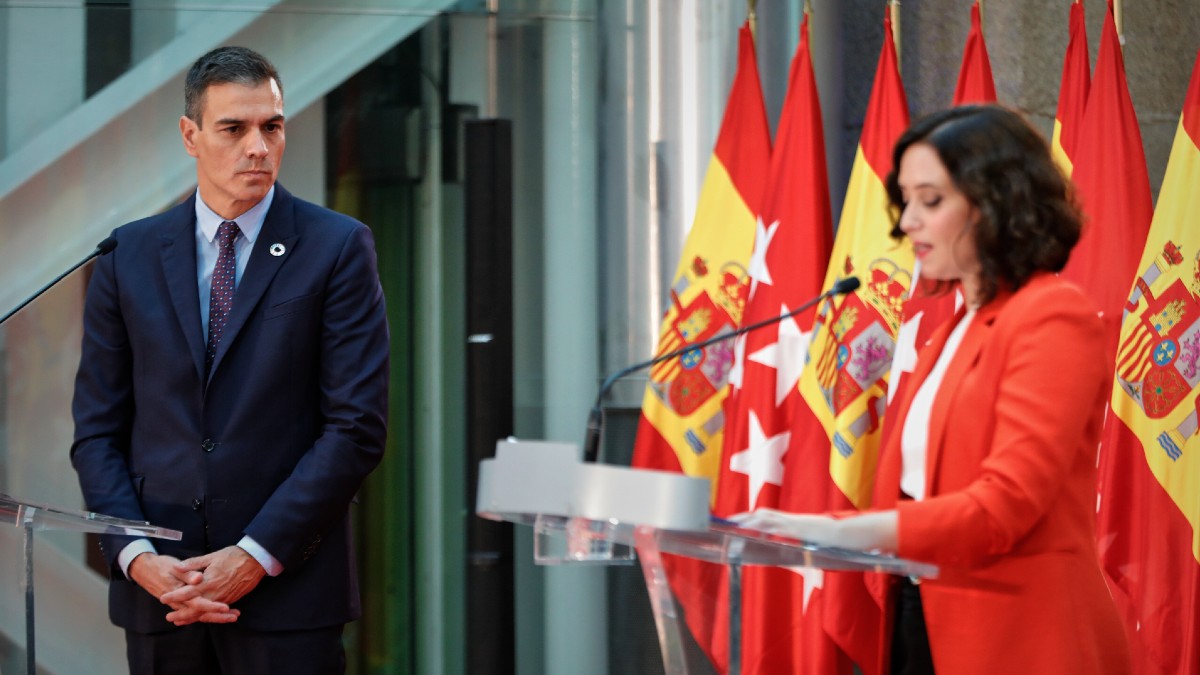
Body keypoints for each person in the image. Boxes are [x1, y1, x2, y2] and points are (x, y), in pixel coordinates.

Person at [732, 105, 1131, 674]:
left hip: (1023, 638)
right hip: (919, 612)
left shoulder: (1053, 315)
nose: (907, 223)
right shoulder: (950, 331)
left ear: (996, 203)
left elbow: (1004, 507)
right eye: (906, 200)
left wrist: (832, 530)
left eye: (931, 200)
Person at [70, 46, 389, 674]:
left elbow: (356, 427)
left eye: (271, 126)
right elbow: (98, 433)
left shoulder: (337, 247)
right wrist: (138, 556)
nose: (258, 147)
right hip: (164, 597)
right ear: (190, 136)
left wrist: (253, 555)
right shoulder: (125, 255)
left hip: (287, 597)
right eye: (233, 128)